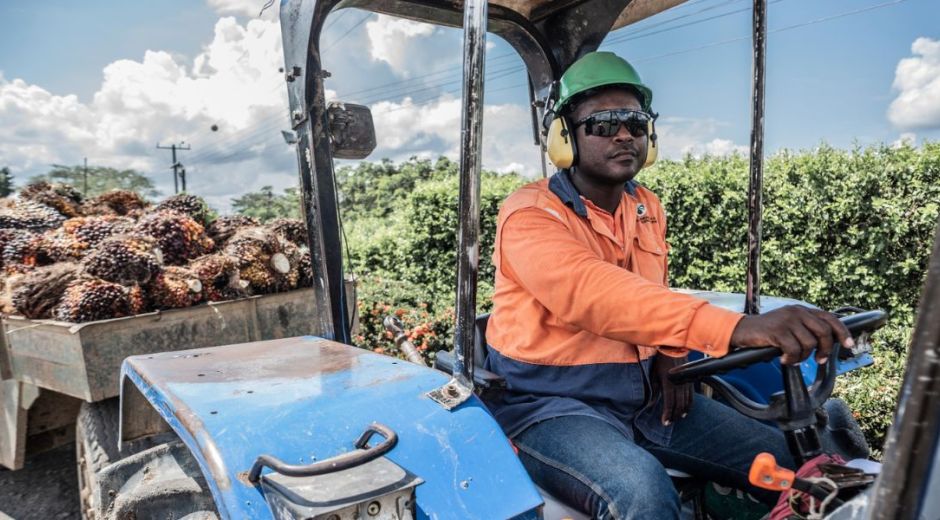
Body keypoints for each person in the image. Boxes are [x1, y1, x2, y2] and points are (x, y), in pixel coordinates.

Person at [482, 51, 854, 519]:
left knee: (799, 464)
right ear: (565, 136)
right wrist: (738, 329)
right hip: (550, 407)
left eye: (635, 124)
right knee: (642, 491)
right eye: (603, 124)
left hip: (646, 400)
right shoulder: (530, 215)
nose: (623, 134)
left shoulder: (645, 205)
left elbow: (651, 291)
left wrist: (671, 352)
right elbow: (594, 294)